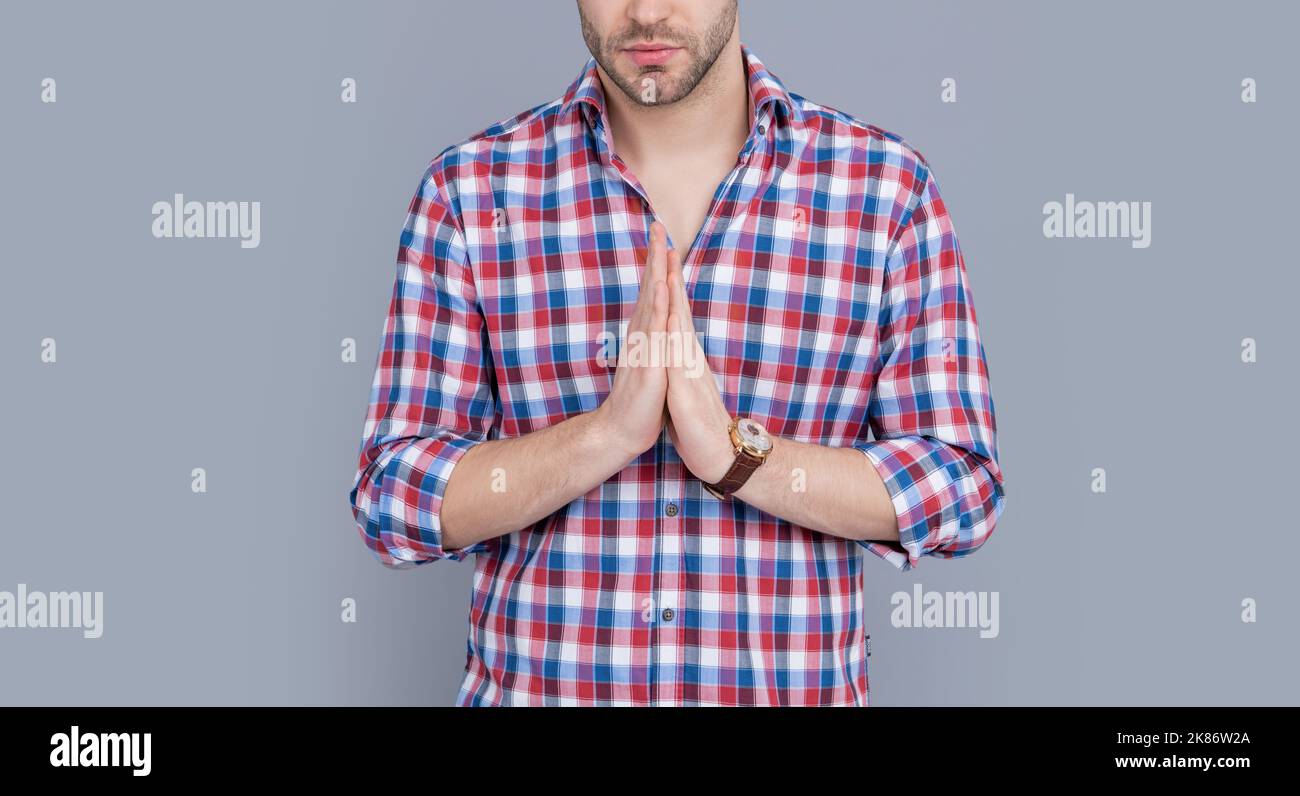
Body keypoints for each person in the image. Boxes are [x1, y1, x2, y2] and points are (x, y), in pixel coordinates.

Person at [349, 0, 1005, 706]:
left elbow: (960, 488)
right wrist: (604, 436)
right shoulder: (470, 193)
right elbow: (392, 498)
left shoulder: (886, 192)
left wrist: (740, 459)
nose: (647, 12)